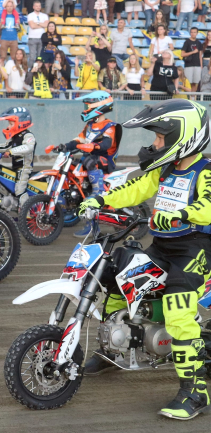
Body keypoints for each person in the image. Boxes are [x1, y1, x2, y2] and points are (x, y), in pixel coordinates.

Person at [80, 99, 211, 421]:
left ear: (184, 135)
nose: (155, 144)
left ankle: (195, 390)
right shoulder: (165, 168)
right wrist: (100, 199)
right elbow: (136, 188)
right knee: (117, 277)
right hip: (163, 246)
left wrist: (182, 214)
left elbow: (208, 205)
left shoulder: (205, 171)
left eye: (160, 138)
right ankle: (111, 350)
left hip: (195, 249)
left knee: (178, 310)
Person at [57, 91, 120, 236]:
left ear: (99, 106)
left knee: (89, 161)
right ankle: (72, 206)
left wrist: (94, 146)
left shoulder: (109, 126)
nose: (86, 108)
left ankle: (97, 192)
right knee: (73, 164)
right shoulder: (90, 125)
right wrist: (65, 146)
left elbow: (106, 143)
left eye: (88, 106)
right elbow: (79, 140)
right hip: (91, 158)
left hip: (104, 160)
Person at [0, 107, 35, 210]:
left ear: (21, 123)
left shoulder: (28, 136)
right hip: (15, 168)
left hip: (24, 168)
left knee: (19, 190)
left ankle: (26, 214)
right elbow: (5, 146)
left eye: (11, 124)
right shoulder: (15, 136)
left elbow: (28, 147)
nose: (8, 126)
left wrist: (11, 152)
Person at [182, 27, 204, 92]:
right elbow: (182, 54)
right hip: (189, 65)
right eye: (191, 32)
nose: (193, 34)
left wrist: (201, 65)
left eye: (194, 32)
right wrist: (192, 52)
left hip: (197, 65)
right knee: (188, 82)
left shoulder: (199, 43)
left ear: (197, 33)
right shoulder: (187, 42)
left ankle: (193, 97)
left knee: (195, 83)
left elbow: (200, 55)